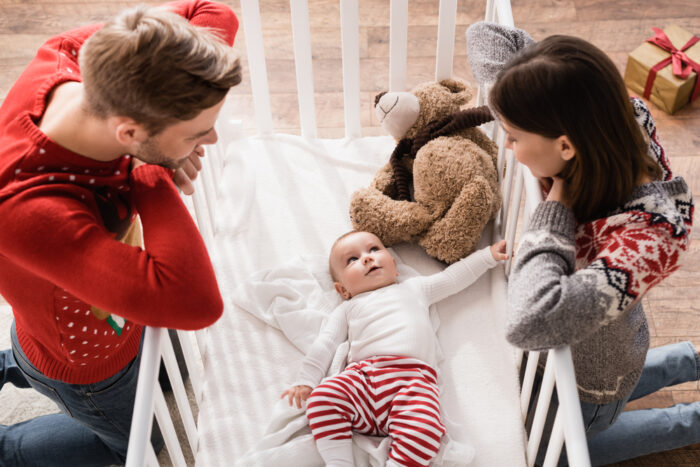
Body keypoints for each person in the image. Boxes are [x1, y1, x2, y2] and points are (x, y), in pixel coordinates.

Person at [0, 1, 241, 465]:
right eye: (197, 133)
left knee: (167, 371)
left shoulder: (79, 54)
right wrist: (149, 175)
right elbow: (196, 304)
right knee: (138, 439)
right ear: (129, 133)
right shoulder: (27, 206)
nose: (209, 142)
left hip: (112, 312)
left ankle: (12, 363)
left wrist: (157, 152)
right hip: (86, 361)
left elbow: (209, 11)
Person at [467, 22, 697, 466]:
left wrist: (553, 208)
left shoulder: (649, 235)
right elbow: (486, 35)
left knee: (558, 455)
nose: (507, 144)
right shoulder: (608, 118)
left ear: (566, 146)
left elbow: (529, 321)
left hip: (595, 380)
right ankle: (691, 361)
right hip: (599, 337)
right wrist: (519, 93)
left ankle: (691, 420)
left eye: (513, 137)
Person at [281, 230, 508, 467]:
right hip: (363, 381)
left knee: (426, 429)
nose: (367, 258)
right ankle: (339, 462)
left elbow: (451, 279)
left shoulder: (415, 289)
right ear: (343, 290)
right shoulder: (348, 309)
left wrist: (487, 256)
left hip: (412, 382)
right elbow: (325, 343)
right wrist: (307, 381)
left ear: (394, 265)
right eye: (352, 259)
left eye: (374, 250)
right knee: (322, 399)